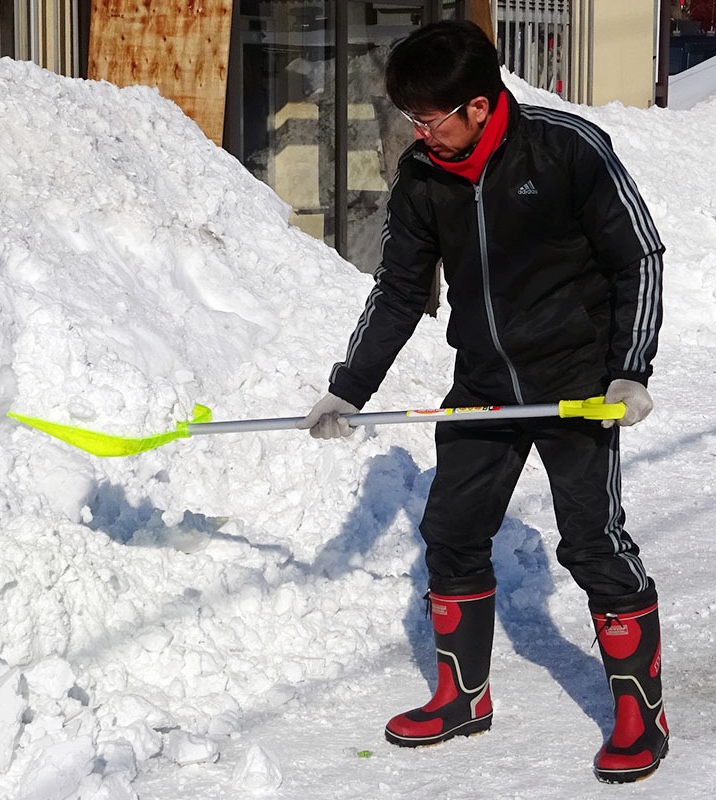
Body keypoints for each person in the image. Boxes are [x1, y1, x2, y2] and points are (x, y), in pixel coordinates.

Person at [297, 20, 668, 784]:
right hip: (485, 386)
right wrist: (348, 386)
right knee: (453, 532)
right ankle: (463, 696)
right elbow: (400, 291)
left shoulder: (566, 148)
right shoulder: (424, 174)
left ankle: (641, 714)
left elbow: (639, 255)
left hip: (579, 387)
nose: (418, 130)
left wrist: (629, 371)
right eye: (410, 117)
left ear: (476, 104)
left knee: (593, 543)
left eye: (429, 117)